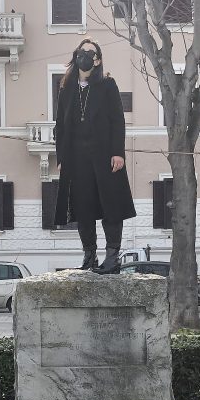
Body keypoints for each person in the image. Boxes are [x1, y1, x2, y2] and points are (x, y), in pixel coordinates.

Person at [53, 38, 136, 274]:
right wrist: (61, 157)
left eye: (90, 53)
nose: (85, 56)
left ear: (97, 60)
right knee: (83, 208)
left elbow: (117, 120)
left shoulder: (107, 84)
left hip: (105, 156)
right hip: (76, 158)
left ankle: (112, 259)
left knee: (111, 207)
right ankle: (89, 256)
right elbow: (60, 125)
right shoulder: (66, 88)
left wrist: (118, 152)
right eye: (82, 52)